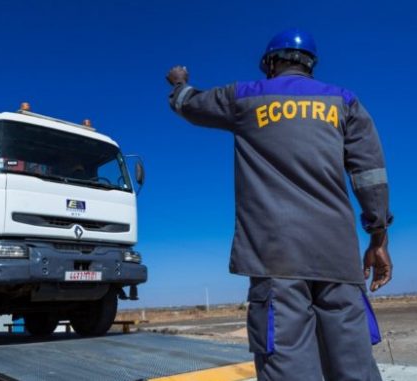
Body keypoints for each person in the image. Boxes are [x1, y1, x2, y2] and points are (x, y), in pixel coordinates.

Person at [166, 28, 393, 381]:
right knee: (354, 365)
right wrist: (378, 238)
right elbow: (370, 176)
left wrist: (179, 83)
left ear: (270, 63)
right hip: (339, 258)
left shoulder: (244, 97)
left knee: (289, 368)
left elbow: (189, 105)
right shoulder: (344, 102)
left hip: (276, 258)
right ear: (311, 65)